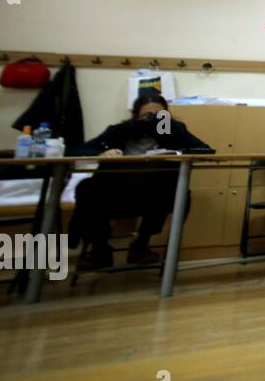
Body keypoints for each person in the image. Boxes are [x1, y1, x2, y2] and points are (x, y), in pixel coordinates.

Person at [68, 93, 211, 271]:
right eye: (147, 116)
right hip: (115, 193)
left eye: (159, 116)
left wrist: (179, 150)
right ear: (136, 116)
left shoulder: (173, 129)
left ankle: (141, 245)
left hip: (152, 195)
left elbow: (204, 150)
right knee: (87, 188)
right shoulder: (119, 130)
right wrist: (101, 154)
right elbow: (79, 150)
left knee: (174, 186)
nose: (153, 120)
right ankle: (100, 249)